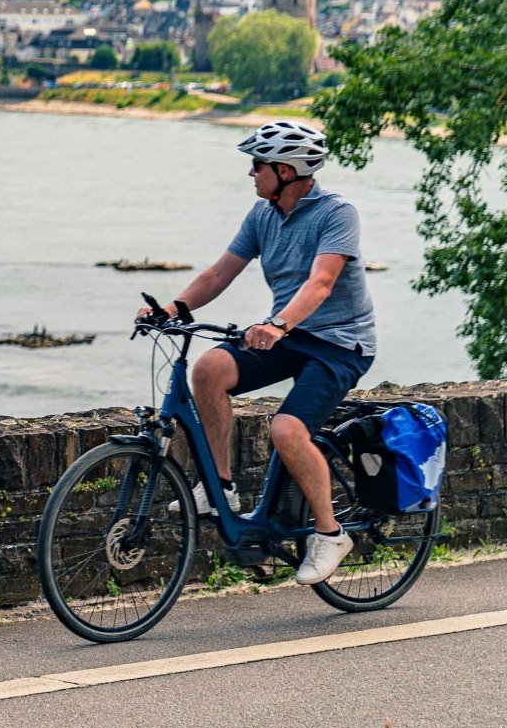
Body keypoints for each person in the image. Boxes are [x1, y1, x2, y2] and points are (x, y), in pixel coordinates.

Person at [138, 120, 376, 585]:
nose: (250, 173)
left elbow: (321, 283)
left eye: (257, 164)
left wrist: (278, 323)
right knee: (209, 370)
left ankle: (330, 534)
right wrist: (172, 307)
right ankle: (221, 489)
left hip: (340, 344)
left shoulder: (336, 213)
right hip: (288, 335)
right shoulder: (263, 214)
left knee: (287, 429)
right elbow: (219, 273)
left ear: (285, 171)